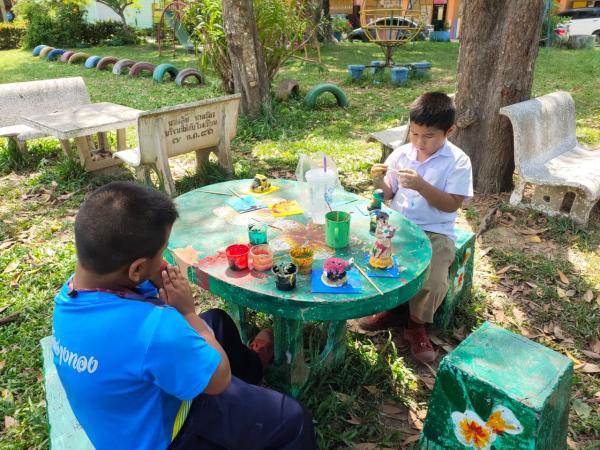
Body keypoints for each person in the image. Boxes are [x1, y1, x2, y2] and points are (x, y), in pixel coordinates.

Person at [52, 181, 316, 450]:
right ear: (136, 269)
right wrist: (188, 313)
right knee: (293, 419)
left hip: (125, 422)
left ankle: (253, 371)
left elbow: (136, 323)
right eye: (161, 253)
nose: (164, 261)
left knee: (218, 322)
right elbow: (219, 380)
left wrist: (152, 278)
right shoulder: (154, 328)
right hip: (170, 436)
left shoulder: (69, 296)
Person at [358, 92, 473, 363]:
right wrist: (378, 181)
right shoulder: (401, 154)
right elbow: (388, 193)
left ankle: (415, 324)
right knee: (377, 261)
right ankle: (392, 309)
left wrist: (422, 186)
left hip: (436, 231)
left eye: (428, 136)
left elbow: (451, 205)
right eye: (415, 134)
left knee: (433, 280)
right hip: (398, 225)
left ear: (449, 131)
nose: (420, 142)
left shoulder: (458, 161)